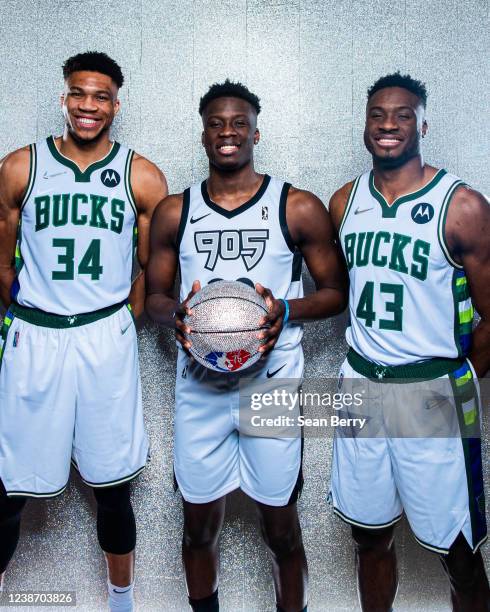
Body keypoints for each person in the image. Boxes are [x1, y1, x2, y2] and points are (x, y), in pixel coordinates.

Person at [145, 79, 348, 612]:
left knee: (281, 529)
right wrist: (181, 317)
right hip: (201, 390)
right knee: (197, 529)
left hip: (271, 388)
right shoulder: (175, 210)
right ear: (204, 134)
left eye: (238, 123)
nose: (228, 133)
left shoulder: (297, 206)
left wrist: (287, 309)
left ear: (256, 132)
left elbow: (335, 293)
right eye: (216, 124)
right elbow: (154, 300)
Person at [0, 51, 167, 611]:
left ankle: (121, 603)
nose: (88, 106)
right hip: (35, 336)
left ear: (116, 104)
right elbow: (5, 263)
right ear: (64, 98)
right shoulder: (21, 166)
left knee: (113, 489)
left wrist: (117, 323)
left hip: (103, 338)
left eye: (100, 97)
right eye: (78, 94)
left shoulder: (141, 175)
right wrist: (34, 317)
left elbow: (149, 268)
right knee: (7, 489)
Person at [328, 72, 490, 611]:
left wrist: (456, 379)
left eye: (401, 115)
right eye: (377, 115)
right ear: (365, 124)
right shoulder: (345, 201)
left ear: (422, 123)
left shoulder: (461, 204)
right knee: (369, 535)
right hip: (361, 385)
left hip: (429, 389)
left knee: (460, 552)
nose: (388, 125)